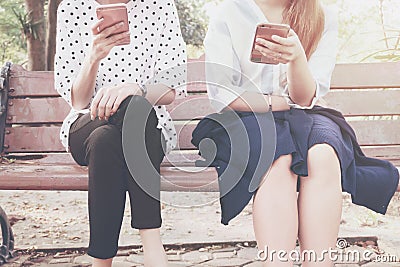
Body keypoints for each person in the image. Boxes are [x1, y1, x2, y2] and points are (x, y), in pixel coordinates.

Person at [194, 0, 400, 266]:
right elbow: (222, 93)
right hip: (246, 117)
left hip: (305, 115)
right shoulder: (230, 12)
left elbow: (304, 99)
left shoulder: (320, 15)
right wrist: (274, 103)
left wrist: (296, 58)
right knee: (277, 158)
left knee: (323, 155)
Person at [54, 0, 187, 266]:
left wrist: (135, 90)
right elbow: (78, 101)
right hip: (87, 121)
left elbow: (172, 87)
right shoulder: (71, 7)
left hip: (149, 127)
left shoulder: (160, 6)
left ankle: (100, 261)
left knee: (111, 135)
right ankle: (153, 248)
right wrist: (93, 57)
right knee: (115, 122)